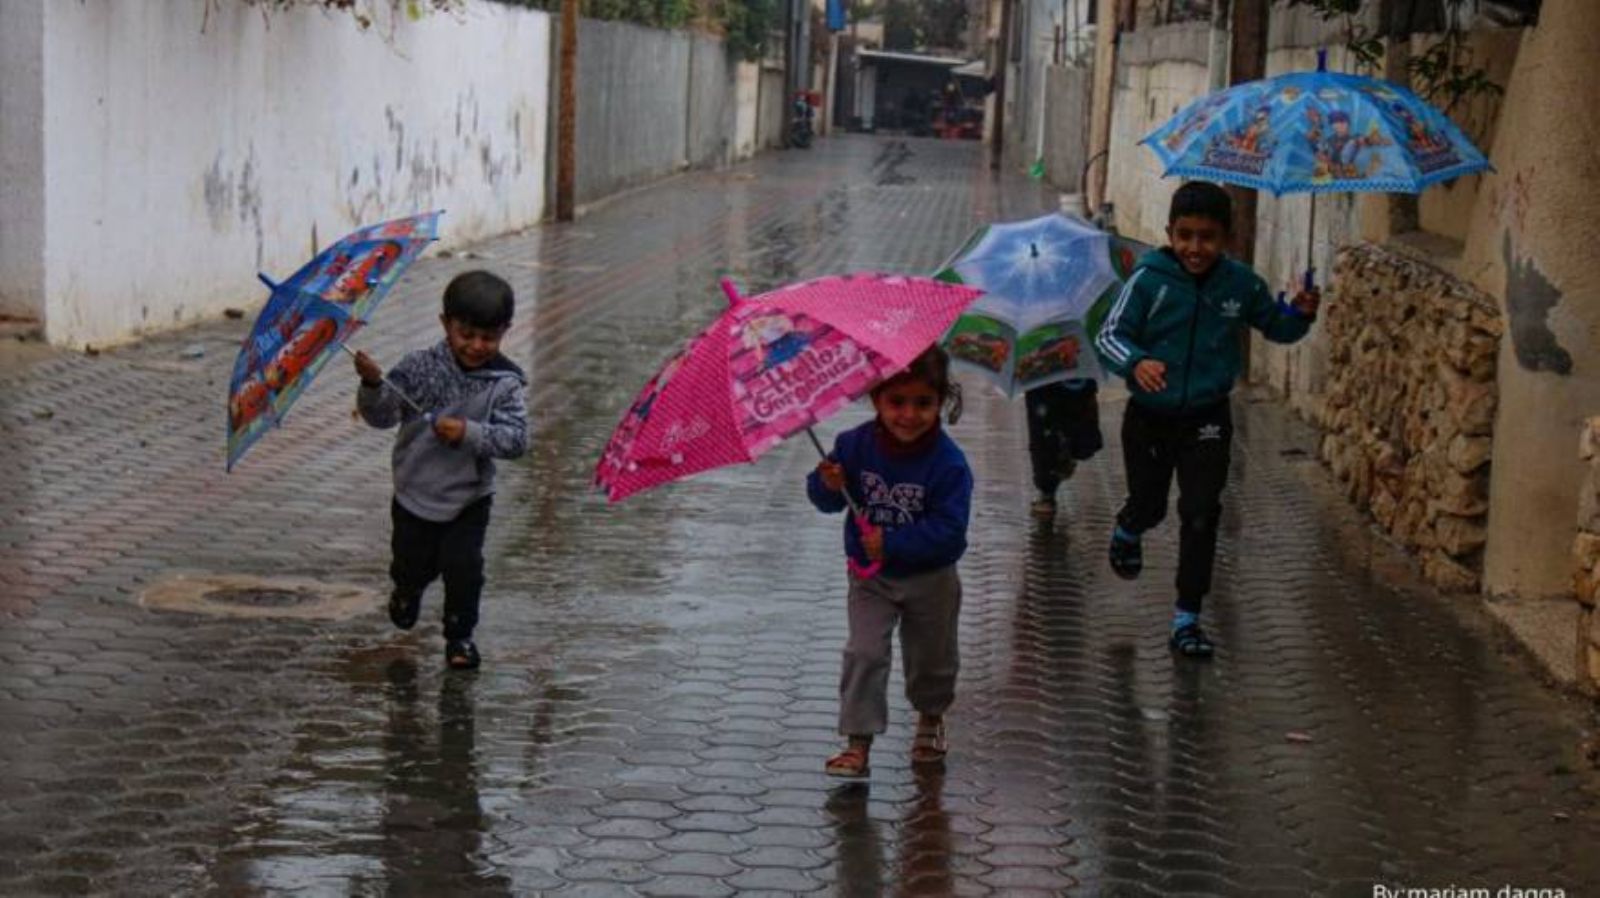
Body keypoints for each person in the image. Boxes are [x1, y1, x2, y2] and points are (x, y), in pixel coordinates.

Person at [1094, 181, 1319, 658]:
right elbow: (1109, 335)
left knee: (1200, 512)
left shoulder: (1242, 284)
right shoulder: (1148, 281)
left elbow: (1276, 326)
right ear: (1170, 233)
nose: (1195, 248)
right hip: (1149, 418)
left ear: (1227, 238)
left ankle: (1187, 618)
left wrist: (1300, 314)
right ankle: (1130, 527)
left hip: (1208, 418)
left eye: (1207, 237)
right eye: (1185, 235)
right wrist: (1136, 362)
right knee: (1151, 505)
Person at [807, 345, 974, 778]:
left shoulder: (949, 464)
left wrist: (895, 543)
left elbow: (951, 532)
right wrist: (828, 485)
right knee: (864, 652)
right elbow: (825, 501)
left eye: (923, 403)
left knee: (932, 659)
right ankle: (857, 742)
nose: (909, 415)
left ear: (941, 401)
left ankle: (931, 717)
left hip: (931, 579)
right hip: (871, 579)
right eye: (896, 402)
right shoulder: (853, 446)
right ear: (876, 399)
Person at [353, 270, 529, 670]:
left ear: (505, 331)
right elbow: (382, 417)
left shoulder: (505, 383)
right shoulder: (418, 368)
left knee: (465, 568)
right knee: (411, 563)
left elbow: (517, 440)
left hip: (469, 497)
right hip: (414, 492)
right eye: (466, 334)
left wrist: (470, 433)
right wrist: (373, 386)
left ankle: (460, 636)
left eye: (489, 337)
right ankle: (406, 589)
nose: (476, 346)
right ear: (445, 324)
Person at [1024, 376, 1103, 519]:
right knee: (1041, 434)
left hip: (1077, 378)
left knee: (1080, 427)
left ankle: (1070, 451)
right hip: (1039, 380)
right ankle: (1047, 490)